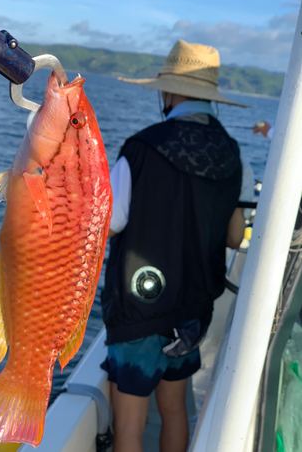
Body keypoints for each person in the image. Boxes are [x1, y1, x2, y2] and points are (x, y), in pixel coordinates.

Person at [100, 40, 254, 452]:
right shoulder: (234, 154)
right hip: (192, 311)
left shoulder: (141, 148)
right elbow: (236, 237)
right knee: (174, 411)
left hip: (139, 309)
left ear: (168, 92)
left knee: (129, 426)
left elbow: (110, 224)